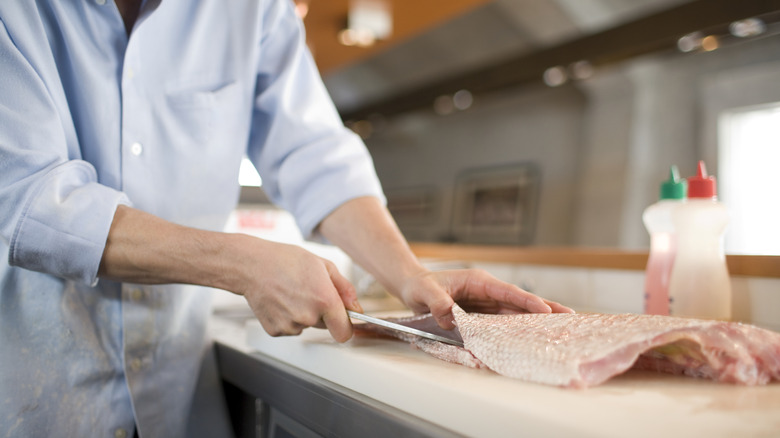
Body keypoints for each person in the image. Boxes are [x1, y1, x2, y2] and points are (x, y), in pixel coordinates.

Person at [0, 0, 572, 436]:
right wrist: (242, 265)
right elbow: (27, 194)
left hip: (174, 397)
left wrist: (409, 277)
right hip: (35, 399)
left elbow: (315, 154)